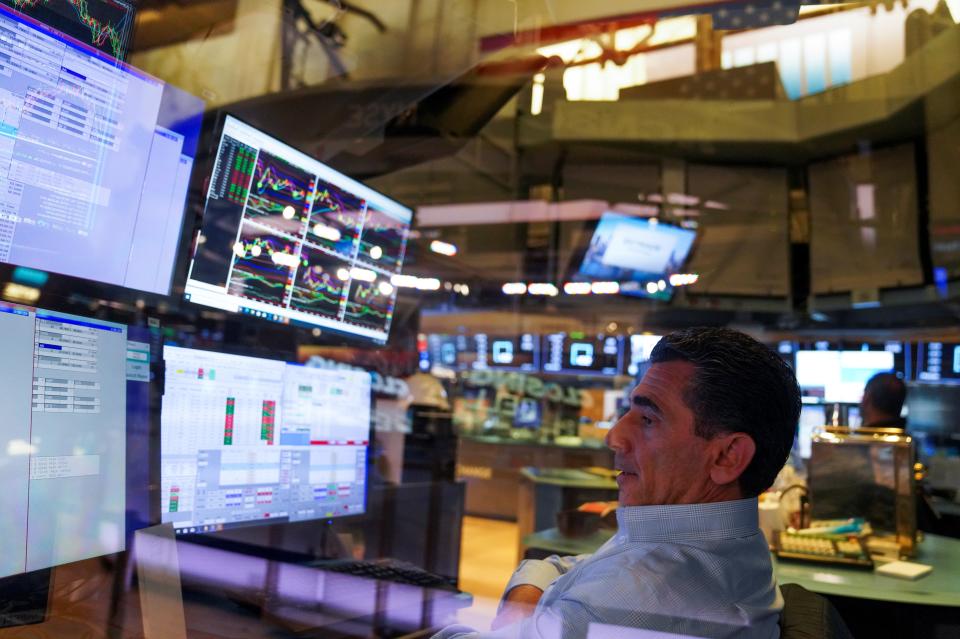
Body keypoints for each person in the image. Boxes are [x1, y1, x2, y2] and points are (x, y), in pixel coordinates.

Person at [434, 327, 801, 639]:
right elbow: (569, 566)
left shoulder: (635, 597)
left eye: (648, 419)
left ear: (727, 457)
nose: (614, 436)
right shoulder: (719, 545)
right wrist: (527, 610)